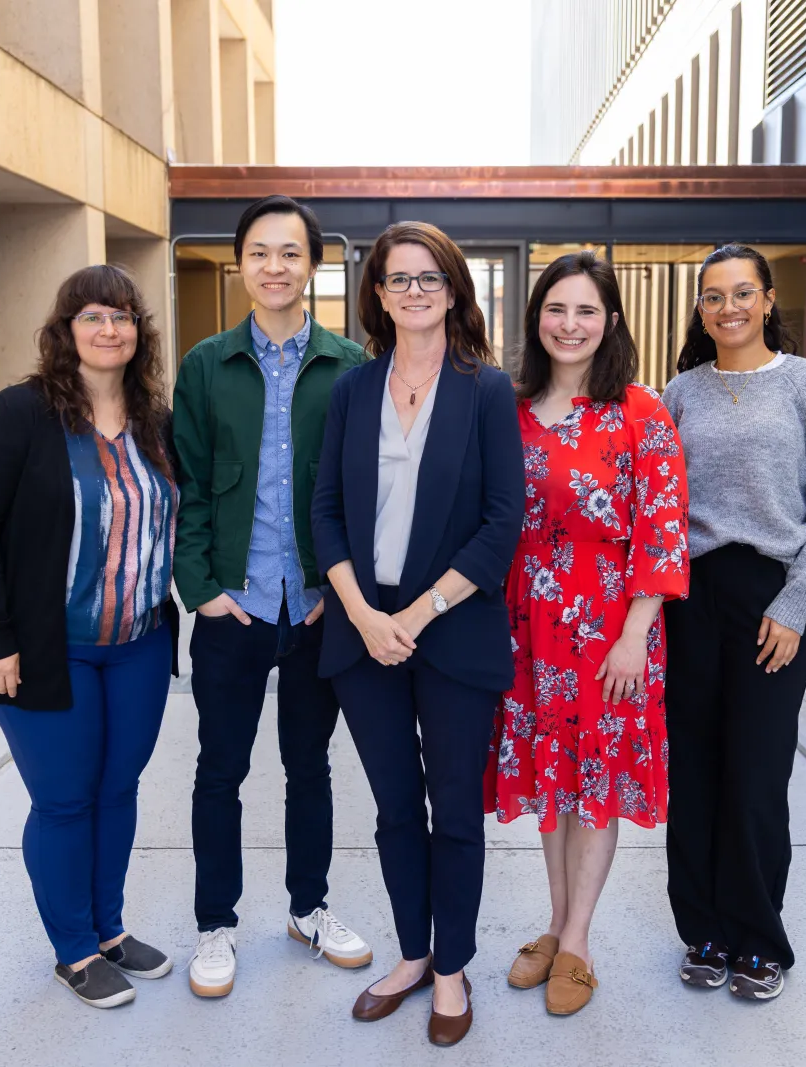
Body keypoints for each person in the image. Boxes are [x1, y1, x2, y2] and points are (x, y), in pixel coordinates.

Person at [312, 221, 525, 1047]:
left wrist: (417, 613)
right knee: (396, 807)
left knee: (454, 813)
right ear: (377, 293)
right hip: (365, 634)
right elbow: (324, 511)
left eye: (428, 277)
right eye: (397, 278)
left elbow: (501, 523)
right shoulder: (353, 391)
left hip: (453, 628)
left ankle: (451, 968)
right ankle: (410, 953)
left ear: (453, 289)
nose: (413, 290)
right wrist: (365, 615)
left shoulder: (485, 390)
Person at [0, 264, 180, 1009]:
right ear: (66, 330)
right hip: (49, 647)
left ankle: (111, 929)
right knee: (63, 800)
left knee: (118, 789)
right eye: (92, 316)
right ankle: (74, 949)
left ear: (138, 330)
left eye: (121, 316)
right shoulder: (21, 414)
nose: (109, 329)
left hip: (140, 643)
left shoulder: (155, 419)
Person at [171, 195, 370, 998]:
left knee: (309, 767)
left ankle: (308, 907)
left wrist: (339, 588)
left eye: (290, 253)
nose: (275, 266)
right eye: (260, 252)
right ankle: (215, 923)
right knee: (220, 770)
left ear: (312, 264)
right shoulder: (205, 364)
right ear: (241, 264)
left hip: (317, 605)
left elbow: (361, 492)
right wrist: (203, 591)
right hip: (235, 604)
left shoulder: (350, 365)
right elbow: (184, 485)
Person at [484, 251, 687, 1015]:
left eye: (587, 311)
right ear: (537, 318)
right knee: (552, 781)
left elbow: (662, 532)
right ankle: (557, 920)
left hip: (609, 630)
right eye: (557, 309)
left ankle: (577, 941)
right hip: (528, 629)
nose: (571, 325)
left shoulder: (641, 411)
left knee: (593, 780)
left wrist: (636, 632)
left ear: (610, 322)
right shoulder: (509, 406)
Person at [660, 243, 806, 1002]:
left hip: (773, 596)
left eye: (743, 293)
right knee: (697, 770)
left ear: (769, 300)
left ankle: (759, 937)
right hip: (690, 597)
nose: (728, 307)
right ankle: (703, 930)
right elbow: (660, 504)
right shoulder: (680, 392)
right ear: (701, 309)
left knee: (757, 771)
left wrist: (796, 603)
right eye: (713, 296)